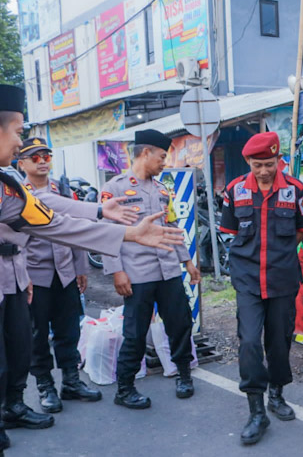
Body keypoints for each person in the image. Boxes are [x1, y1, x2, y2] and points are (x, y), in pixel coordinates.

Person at [0, 84, 184, 452]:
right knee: (27, 348)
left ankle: (29, 399)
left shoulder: (10, 183)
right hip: (26, 278)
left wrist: (103, 214)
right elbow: (53, 220)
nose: (23, 147)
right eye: (19, 134)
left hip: (42, 278)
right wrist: (127, 234)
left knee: (41, 343)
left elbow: (50, 211)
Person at [218, 132, 303, 445]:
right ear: (248, 162)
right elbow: (230, 230)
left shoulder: (297, 190)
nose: (264, 170)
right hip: (247, 280)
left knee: (279, 341)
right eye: (258, 164)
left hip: (282, 279)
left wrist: (282, 254)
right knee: (249, 342)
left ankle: (277, 394)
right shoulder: (234, 190)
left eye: (270, 164)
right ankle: (256, 409)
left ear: (279, 161)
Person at [101, 129, 201, 410]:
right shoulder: (115, 188)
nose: (164, 162)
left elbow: (171, 227)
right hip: (137, 273)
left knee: (180, 324)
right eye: (161, 156)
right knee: (134, 332)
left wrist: (188, 262)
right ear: (145, 153)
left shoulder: (161, 189)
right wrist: (116, 271)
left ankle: (183, 374)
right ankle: (125, 387)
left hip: (168, 270)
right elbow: (107, 232)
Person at [18, 138, 102, 414]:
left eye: (46, 156)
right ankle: (45, 386)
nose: (42, 161)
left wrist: (81, 269)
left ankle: (71, 382)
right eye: (35, 157)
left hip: (65, 273)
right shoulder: (17, 193)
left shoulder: (61, 189)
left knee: (69, 330)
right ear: (22, 164)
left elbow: (74, 229)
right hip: (35, 277)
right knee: (37, 334)